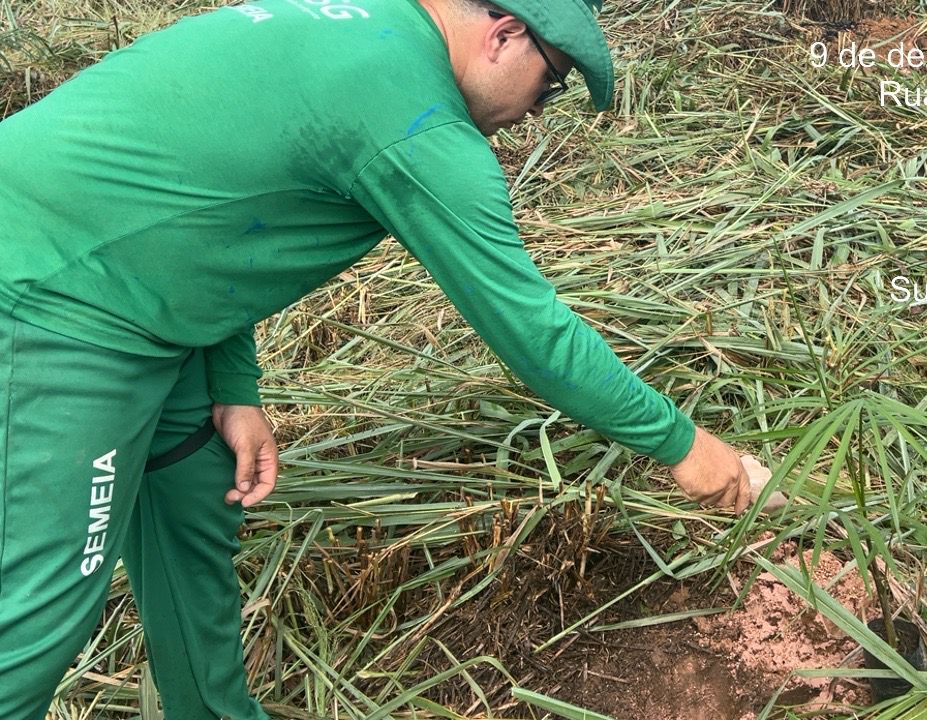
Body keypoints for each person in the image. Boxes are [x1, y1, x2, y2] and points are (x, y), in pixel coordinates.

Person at [0, 0, 754, 716]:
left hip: (123, 277)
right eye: (550, 83)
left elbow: (205, 196)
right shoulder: (417, 123)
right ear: (504, 35)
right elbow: (534, 333)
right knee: (43, 613)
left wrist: (234, 383)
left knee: (195, 500)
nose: (536, 111)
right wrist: (686, 448)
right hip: (49, 298)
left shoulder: (358, 24)